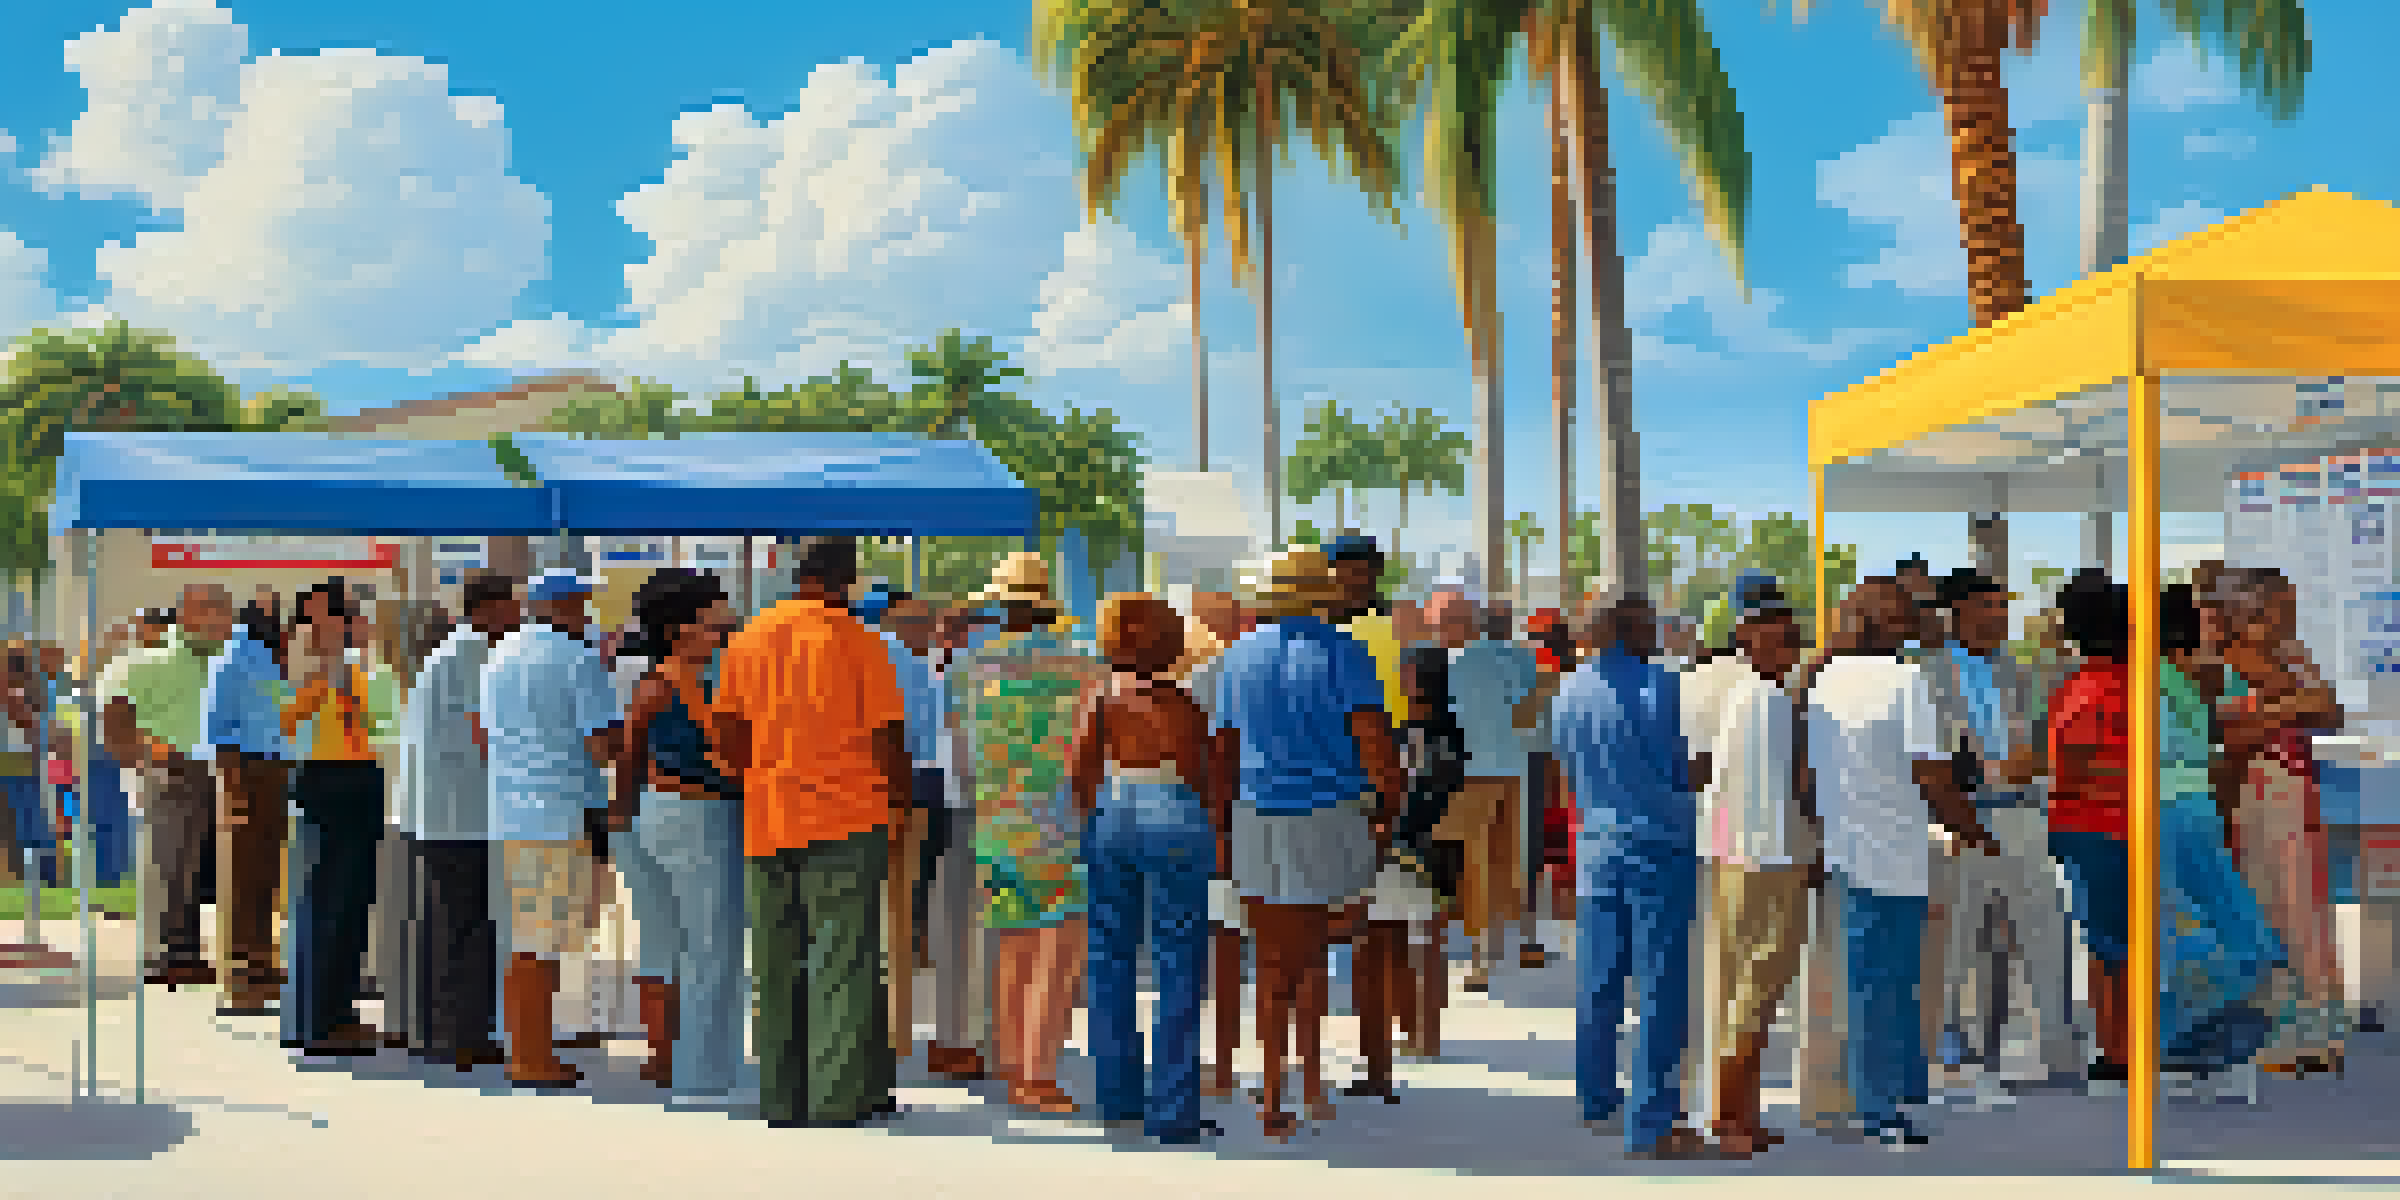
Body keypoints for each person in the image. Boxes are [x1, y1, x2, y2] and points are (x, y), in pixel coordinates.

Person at [715, 536, 908, 1129]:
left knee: (775, 960)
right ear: (846, 579)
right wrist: (898, 800)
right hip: (849, 815)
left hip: (770, 814)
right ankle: (835, 1098)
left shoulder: (747, 640)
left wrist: (763, 772)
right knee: (843, 957)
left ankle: (781, 1095)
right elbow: (886, 738)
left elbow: (725, 731)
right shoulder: (860, 642)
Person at [1212, 546, 1402, 1140]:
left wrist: (1222, 824)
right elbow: (1375, 743)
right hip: (1329, 815)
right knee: (1318, 952)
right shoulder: (1346, 653)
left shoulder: (1237, 657)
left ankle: (1272, 1091)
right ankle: (1311, 1081)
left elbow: (1223, 750)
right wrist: (1388, 812)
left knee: (1272, 961)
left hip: (1255, 812)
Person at [1808, 577, 1985, 1147]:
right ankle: (1884, 1107)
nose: (1923, 619)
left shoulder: (1825, 677)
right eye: (1913, 611)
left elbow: (1808, 775)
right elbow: (1931, 773)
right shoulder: (1907, 677)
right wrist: (1974, 829)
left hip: (1848, 851)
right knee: (1895, 983)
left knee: (1869, 982)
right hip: (1897, 851)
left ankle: (1891, 1094)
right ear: (1893, 622)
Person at [1552, 589, 1712, 1160]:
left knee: (1599, 981)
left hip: (1597, 847)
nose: (1660, 632)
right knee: (1661, 985)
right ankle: (1652, 1122)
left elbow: (1566, 767)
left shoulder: (1568, 689)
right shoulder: (1665, 687)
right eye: (1651, 624)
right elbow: (1686, 768)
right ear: (1629, 628)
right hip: (1659, 846)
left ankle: (1596, 1096)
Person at [1919, 569, 2082, 1094]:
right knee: (1958, 936)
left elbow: (2044, 733)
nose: (1999, 616)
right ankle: (1950, 1041)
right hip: (1961, 816)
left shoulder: (2022, 669)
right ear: (1957, 611)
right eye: (1988, 607)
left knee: (2045, 928)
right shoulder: (1927, 674)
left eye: (2002, 606)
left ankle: (2058, 1047)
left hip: (2022, 813)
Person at [949, 552, 1101, 1115]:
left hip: (992, 823)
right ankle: (1038, 1075)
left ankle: (1012, 1062)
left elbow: (960, 748)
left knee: (1011, 947)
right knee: (1056, 956)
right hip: (1059, 825)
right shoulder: (1083, 668)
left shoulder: (966, 668)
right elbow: (1091, 752)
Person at [1068, 592, 1222, 1144]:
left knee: (1109, 958)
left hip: (1113, 811)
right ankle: (1174, 1110)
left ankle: (1116, 1097)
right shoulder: (1183, 707)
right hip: (1175, 812)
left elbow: (1080, 769)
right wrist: (1217, 835)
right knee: (1177, 962)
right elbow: (1207, 778)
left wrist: (1093, 823)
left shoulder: (1102, 699)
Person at [609, 569, 751, 1106]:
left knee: (669, 943)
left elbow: (629, 758)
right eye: (714, 614)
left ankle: (677, 1061)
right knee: (710, 949)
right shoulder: (701, 680)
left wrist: (622, 823)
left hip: (653, 812)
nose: (724, 621)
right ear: (681, 626)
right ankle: (704, 1071)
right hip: (703, 815)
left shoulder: (651, 681)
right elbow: (726, 757)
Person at [480, 568, 622, 1088]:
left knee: (526, 938)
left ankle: (528, 1047)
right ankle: (532, 1056)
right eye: (581, 604)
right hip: (560, 812)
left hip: (510, 813)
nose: (585, 614)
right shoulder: (577, 658)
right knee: (542, 943)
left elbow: (486, 734)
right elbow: (602, 743)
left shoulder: (499, 655)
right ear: (562, 606)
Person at [1687, 576, 1815, 1156]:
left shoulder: (1751, 694)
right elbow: (1781, 790)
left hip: (1742, 857)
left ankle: (1738, 1112)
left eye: (1792, 637)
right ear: (1747, 637)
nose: (1787, 647)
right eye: (1777, 636)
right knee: (1753, 993)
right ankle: (1730, 1118)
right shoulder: (1762, 699)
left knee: (1748, 994)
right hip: (1765, 861)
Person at [2206, 566, 2348, 1076]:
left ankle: (2314, 1030)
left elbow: (2329, 712)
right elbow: (2231, 729)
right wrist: (2289, 710)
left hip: (2286, 788)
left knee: (2298, 907)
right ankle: (2276, 1027)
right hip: (2251, 789)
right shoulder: (2224, 658)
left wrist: (2275, 712)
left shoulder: (2286, 654)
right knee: (2264, 904)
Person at [2159, 580, 2280, 1094]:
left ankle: (2197, 1050)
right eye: (2209, 618)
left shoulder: (2218, 677)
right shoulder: (2150, 681)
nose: (2219, 626)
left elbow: (2235, 739)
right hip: (2167, 818)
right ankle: (2184, 1051)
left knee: (2235, 941)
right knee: (2202, 941)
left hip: (2201, 817)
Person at [396, 571, 518, 1071]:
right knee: (462, 925)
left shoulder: (454, 651)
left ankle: (443, 1029)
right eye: (511, 606)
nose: (518, 615)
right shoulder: (472, 654)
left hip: (450, 809)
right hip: (461, 812)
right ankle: (456, 1034)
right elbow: (482, 730)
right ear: (487, 608)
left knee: (450, 922)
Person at [279, 580, 401, 1056]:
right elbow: (290, 723)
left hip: (350, 780)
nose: (320, 628)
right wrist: (336, 679)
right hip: (335, 781)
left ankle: (324, 1013)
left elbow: (386, 726)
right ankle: (319, 1020)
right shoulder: (314, 672)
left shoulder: (360, 670)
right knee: (331, 902)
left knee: (340, 904)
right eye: (315, 618)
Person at [99, 583, 236, 989]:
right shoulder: (145, 662)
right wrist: (145, 753)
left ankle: (186, 953)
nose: (221, 617)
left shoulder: (227, 661)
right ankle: (162, 957)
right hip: (173, 769)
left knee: (198, 869)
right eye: (211, 609)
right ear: (187, 614)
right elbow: (113, 710)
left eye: (224, 609)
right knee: (169, 863)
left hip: (221, 769)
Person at [2046, 569, 2139, 1090]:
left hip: (2092, 827)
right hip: (2113, 828)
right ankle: (2118, 1046)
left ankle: (2115, 1048)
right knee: (2116, 944)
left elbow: (2070, 764)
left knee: (2108, 945)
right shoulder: (2121, 688)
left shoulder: (2082, 689)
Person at [201, 605, 295, 1016]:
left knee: (259, 876)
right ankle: (242, 976)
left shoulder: (249, 661)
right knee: (245, 876)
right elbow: (218, 729)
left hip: (259, 770)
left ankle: (256, 966)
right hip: (249, 769)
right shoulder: (240, 662)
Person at [1179, 589, 1252, 1101]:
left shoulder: (1197, 682)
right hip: (1275, 814)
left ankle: (1221, 1065)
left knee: (1216, 947)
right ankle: (1285, 1066)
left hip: (1218, 823)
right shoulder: (1266, 671)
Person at [1380, 646, 1468, 1063]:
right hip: (1432, 845)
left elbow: (1424, 790)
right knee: (1419, 941)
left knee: (1413, 941)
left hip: (1413, 845)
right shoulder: (1451, 729)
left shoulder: (1423, 731)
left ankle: (1421, 1031)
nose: (1401, 678)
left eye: (1407, 672)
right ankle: (1417, 1030)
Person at [868, 590, 936, 1068]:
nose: (926, 627)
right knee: (897, 915)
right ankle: (894, 1034)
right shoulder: (907, 664)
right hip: (897, 790)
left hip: (830, 796)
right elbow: (917, 739)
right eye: (918, 618)